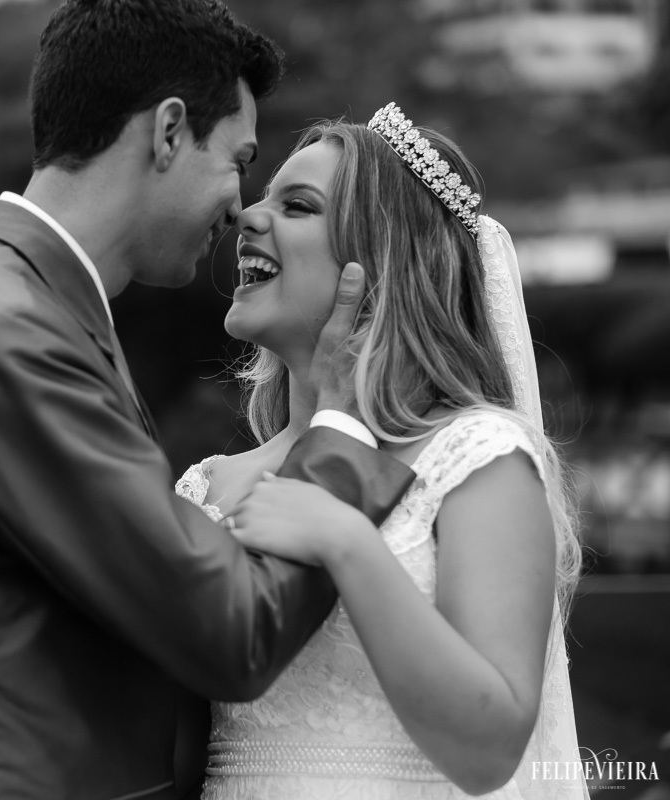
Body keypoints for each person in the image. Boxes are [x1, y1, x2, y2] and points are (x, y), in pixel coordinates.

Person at [0, 2, 416, 798]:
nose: (237, 206)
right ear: (169, 131)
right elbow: (232, 634)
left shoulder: (0, 306)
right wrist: (343, 430)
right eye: (238, 160)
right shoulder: (9, 338)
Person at [177, 102, 586, 799]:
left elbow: (490, 751)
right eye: (262, 197)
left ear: (382, 260)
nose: (248, 215)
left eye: (297, 205)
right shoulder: (205, 486)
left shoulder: (475, 458)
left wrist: (348, 542)